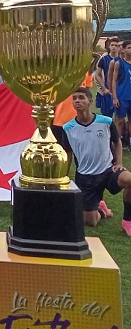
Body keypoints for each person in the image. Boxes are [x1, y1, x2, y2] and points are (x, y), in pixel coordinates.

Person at [58, 88, 131, 235]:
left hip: (108, 171)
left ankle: (127, 220)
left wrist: (119, 163)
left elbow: (117, 142)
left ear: (90, 101)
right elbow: (68, 154)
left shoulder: (106, 121)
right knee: (90, 222)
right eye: (74, 98)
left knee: (129, 179)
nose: (77, 101)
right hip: (86, 177)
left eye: (81, 98)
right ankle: (101, 210)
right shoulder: (67, 128)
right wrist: (63, 178)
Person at [110, 40, 131, 150]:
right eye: (129, 47)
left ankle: (129, 142)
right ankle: (117, 143)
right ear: (123, 49)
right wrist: (115, 97)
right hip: (122, 97)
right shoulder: (119, 63)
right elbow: (114, 80)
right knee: (120, 121)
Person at [95, 37, 120, 118]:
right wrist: (104, 88)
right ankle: (107, 130)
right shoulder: (104, 59)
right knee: (107, 115)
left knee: (120, 115)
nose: (114, 47)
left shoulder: (122, 59)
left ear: (119, 47)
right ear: (109, 46)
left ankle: (119, 130)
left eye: (116, 45)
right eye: (112, 45)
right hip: (108, 89)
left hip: (120, 89)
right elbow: (97, 74)